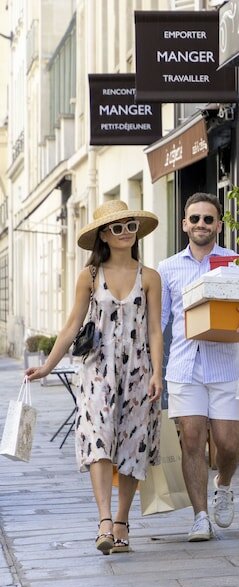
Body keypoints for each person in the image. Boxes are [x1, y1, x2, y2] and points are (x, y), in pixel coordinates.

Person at [26, 200, 163, 555]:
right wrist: (47, 367)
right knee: (99, 440)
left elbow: (154, 332)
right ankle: (104, 521)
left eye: (129, 225)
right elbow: (71, 326)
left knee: (134, 447)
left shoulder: (149, 277)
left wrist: (157, 374)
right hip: (97, 370)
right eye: (116, 228)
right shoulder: (89, 276)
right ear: (104, 234)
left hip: (138, 371)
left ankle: (121, 520)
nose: (125, 232)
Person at [158, 193, 239, 542]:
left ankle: (223, 484)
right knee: (192, 440)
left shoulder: (236, 261)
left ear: (219, 225)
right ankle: (200, 517)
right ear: (184, 225)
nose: (201, 224)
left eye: (208, 219)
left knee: (228, 444)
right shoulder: (168, 269)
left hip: (226, 365)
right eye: (194, 218)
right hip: (184, 367)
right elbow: (160, 321)